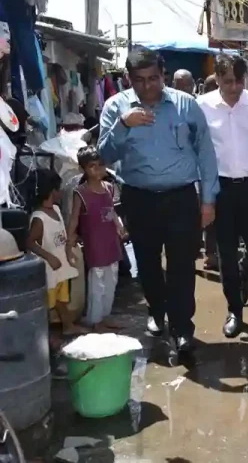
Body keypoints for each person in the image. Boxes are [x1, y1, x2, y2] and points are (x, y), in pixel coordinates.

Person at [98, 48, 219, 355]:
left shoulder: (185, 105)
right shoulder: (116, 107)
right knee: (148, 264)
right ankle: (156, 311)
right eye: (140, 80)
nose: (148, 86)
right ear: (129, 79)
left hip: (180, 198)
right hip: (138, 199)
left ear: (163, 75)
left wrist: (207, 201)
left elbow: (205, 153)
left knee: (181, 266)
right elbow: (104, 156)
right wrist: (124, 125)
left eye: (154, 78)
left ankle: (182, 328)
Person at [198, 55, 248, 338]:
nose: (234, 87)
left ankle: (245, 275)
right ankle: (235, 308)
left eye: (239, 80)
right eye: (227, 81)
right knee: (226, 253)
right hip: (220, 189)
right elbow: (198, 153)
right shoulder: (203, 106)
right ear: (217, 79)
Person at [65, 146, 125, 331]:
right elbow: (74, 219)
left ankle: (105, 316)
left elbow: (112, 211)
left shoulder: (108, 188)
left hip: (111, 243)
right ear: (83, 168)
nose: (98, 169)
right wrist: (69, 243)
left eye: (101, 165)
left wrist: (119, 226)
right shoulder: (80, 193)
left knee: (112, 280)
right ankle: (95, 319)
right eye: (92, 166)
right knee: (97, 283)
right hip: (95, 245)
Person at [26, 169, 86, 336]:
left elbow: (62, 234)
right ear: (52, 191)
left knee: (60, 300)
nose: (61, 192)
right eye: (58, 189)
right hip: (49, 269)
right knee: (48, 303)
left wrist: (68, 251)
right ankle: (44, 335)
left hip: (60, 268)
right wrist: (49, 257)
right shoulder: (39, 218)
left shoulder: (56, 210)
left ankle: (67, 326)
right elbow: (30, 242)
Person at [201, 74, 220, 271]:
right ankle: (210, 253)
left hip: (223, 171)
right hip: (206, 172)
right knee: (209, 214)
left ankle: (212, 252)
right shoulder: (200, 109)